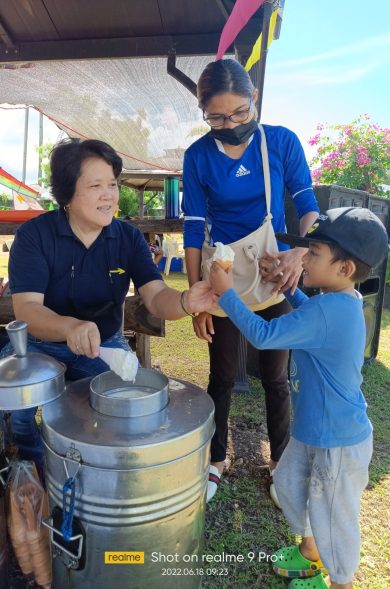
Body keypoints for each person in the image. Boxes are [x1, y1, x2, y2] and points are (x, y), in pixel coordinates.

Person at [1, 138, 216, 473]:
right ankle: (31, 471)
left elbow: (157, 297)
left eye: (113, 185)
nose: (109, 195)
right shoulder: (35, 236)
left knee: (125, 409)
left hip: (104, 345)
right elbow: (28, 310)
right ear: (67, 194)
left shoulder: (127, 238)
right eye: (96, 185)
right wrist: (70, 327)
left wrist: (187, 301)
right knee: (19, 413)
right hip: (40, 345)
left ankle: (98, 474)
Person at [208, 207, 388, 589]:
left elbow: (263, 335)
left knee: (334, 515)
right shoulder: (341, 301)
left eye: (314, 254)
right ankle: (310, 552)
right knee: (289, 483)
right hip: (314, 429)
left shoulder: (331, 310)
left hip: (337, 440)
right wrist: (288, 288)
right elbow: (312, 312)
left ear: (345, 270)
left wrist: (226, 293)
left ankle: (340, 580)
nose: (303, 259)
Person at [181, 58, 320, 503]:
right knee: (221, 375)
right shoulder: (198, 155)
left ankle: (281, 462)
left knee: (276, 376)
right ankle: (216, 461)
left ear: (254, 99)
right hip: (222, 277)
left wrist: (300, 252)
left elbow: (308, 205)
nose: (230, 124)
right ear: (204, 112)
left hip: (274, 272)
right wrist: (198, 299)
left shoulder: (280, 142)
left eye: (239, 113)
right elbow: (192, 231)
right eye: (217, 117)